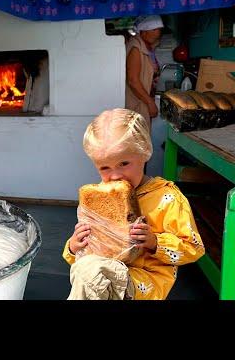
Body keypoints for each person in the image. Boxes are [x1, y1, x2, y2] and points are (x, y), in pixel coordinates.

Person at [63, 108, 204, 300]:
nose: (115, 175)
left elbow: (194, 248)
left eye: (124, 164)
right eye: (104, 167)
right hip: (103, 276)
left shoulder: (167, 198)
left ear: (144, 152)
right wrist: (73, 246)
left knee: (90, 271)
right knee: (87, 269)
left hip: (145, 281)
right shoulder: (98, 198)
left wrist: (155, 242)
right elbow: (80, 257)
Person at [126, 15, 164, 130]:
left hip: (144, 100)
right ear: (143, 31)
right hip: (137, 102)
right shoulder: (136, 49)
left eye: (159, 30)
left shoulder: (148, 47)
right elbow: (133, 81)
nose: (157, 33)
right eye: (154, 29)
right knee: (137, 140)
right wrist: (150, 103)